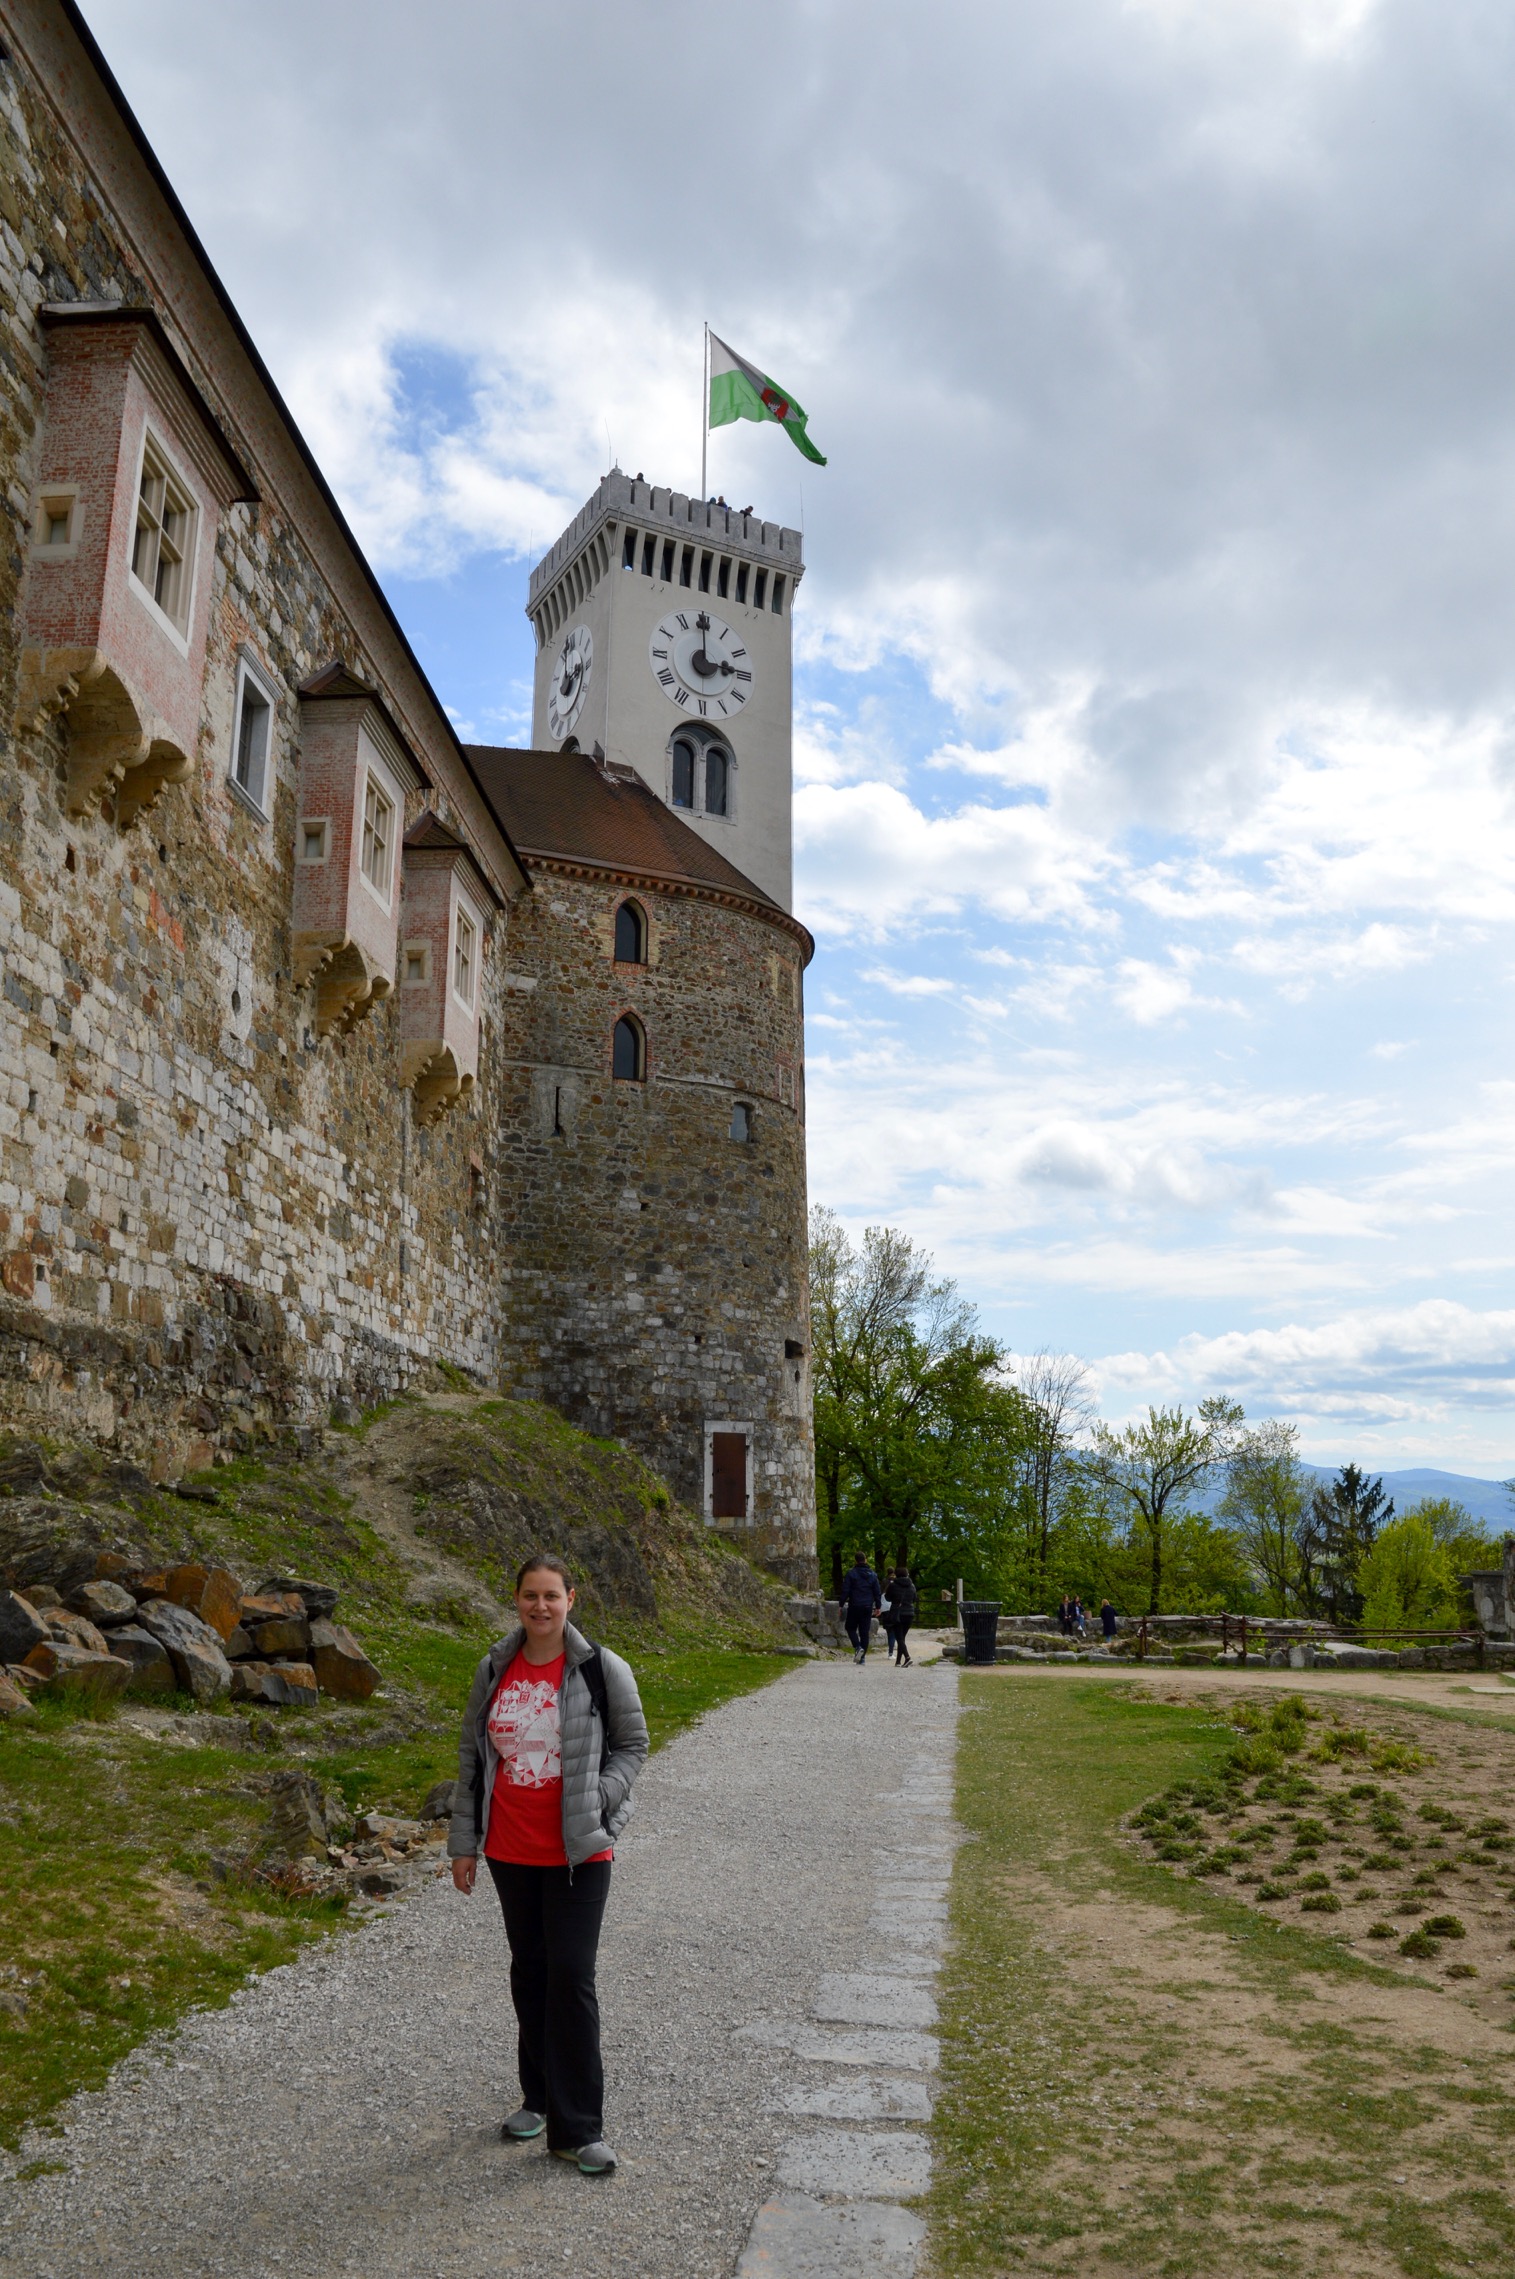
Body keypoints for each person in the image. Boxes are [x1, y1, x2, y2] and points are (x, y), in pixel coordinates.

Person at [448, 1553, 648, 2178]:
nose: (541, 1606)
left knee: (571, 1976)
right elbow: (472, 1759)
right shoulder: (494, 1666)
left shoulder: (599, 1669)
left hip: (578, 1852)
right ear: (516, 1600)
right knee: (530, 1972)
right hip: (510, 1849)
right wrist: (463, 1843)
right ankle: (536, 2099)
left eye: (552, 1596)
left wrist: (601, 1798)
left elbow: (632, 1745)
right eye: (530, 1595)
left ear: (571, 1600)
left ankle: (578, 2127)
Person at [838, 1552, 882, 1663]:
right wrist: (878, 1606)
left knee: (850, 1628)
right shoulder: (873, 1575)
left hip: (854, 1605)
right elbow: (877, 1592)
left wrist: (841, 1604)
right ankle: (862, 1658)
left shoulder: (851, 1574)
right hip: (867, 1606)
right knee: (864, 1632)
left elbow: (845, 1590)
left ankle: (858, 1647)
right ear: (865, 1559)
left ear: (856, 1560)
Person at [888, 1564, 919, 1666]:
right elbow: (914, 1599)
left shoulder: (893, 1585)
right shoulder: (912, 1586)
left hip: (898, 1613)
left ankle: (907, 1657)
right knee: (902, 1638)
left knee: (899, 1638)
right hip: (909, 1613)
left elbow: (888, 1597)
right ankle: (898, 1661)